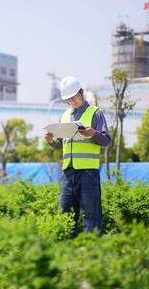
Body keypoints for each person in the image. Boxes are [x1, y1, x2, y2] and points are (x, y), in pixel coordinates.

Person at [44, 76, 110, 237]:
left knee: (91, 215)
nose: (72, 101)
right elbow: (61, 145)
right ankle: (67, 255)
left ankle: (91, 254)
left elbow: (106, 140)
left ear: (81, 92)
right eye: (68, 99)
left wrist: (92, 133)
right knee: (66, 214)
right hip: (67, 173)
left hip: (88, 173)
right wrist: (51, 141)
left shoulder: (95, 113)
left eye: (74, 96)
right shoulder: (64, 116)